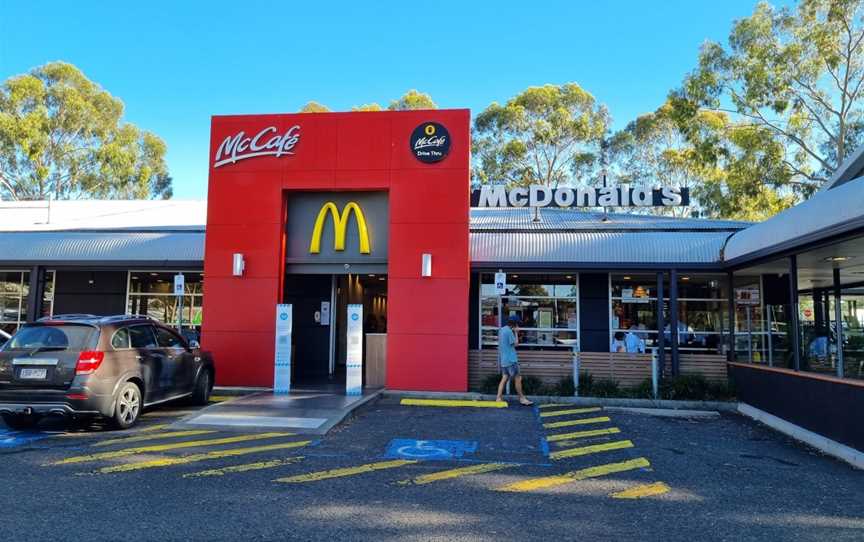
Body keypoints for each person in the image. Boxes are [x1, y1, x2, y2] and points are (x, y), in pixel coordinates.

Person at [496, 315, 533, 406]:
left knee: (504, 378)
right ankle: (522, 398)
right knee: (518, 378)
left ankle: (498, 398)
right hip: (511, 359)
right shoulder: (509, 331)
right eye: (517, 324)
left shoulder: (502, 330)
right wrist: (516, 333)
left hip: (504, 359)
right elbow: (515, 344)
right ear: (515, 324)